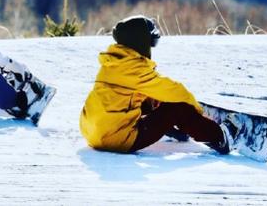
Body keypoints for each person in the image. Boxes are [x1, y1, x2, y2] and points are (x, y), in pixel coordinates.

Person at [79, 15, 241, 155]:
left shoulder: (113, 63)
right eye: (151, 42)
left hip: (93, 133)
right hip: (116, 140)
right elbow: (174, 91)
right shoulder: (135, 70)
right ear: (140, 42)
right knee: (177, 108)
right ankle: (220, 138)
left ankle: (174, 130)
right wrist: (195, 109)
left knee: (148, 98)